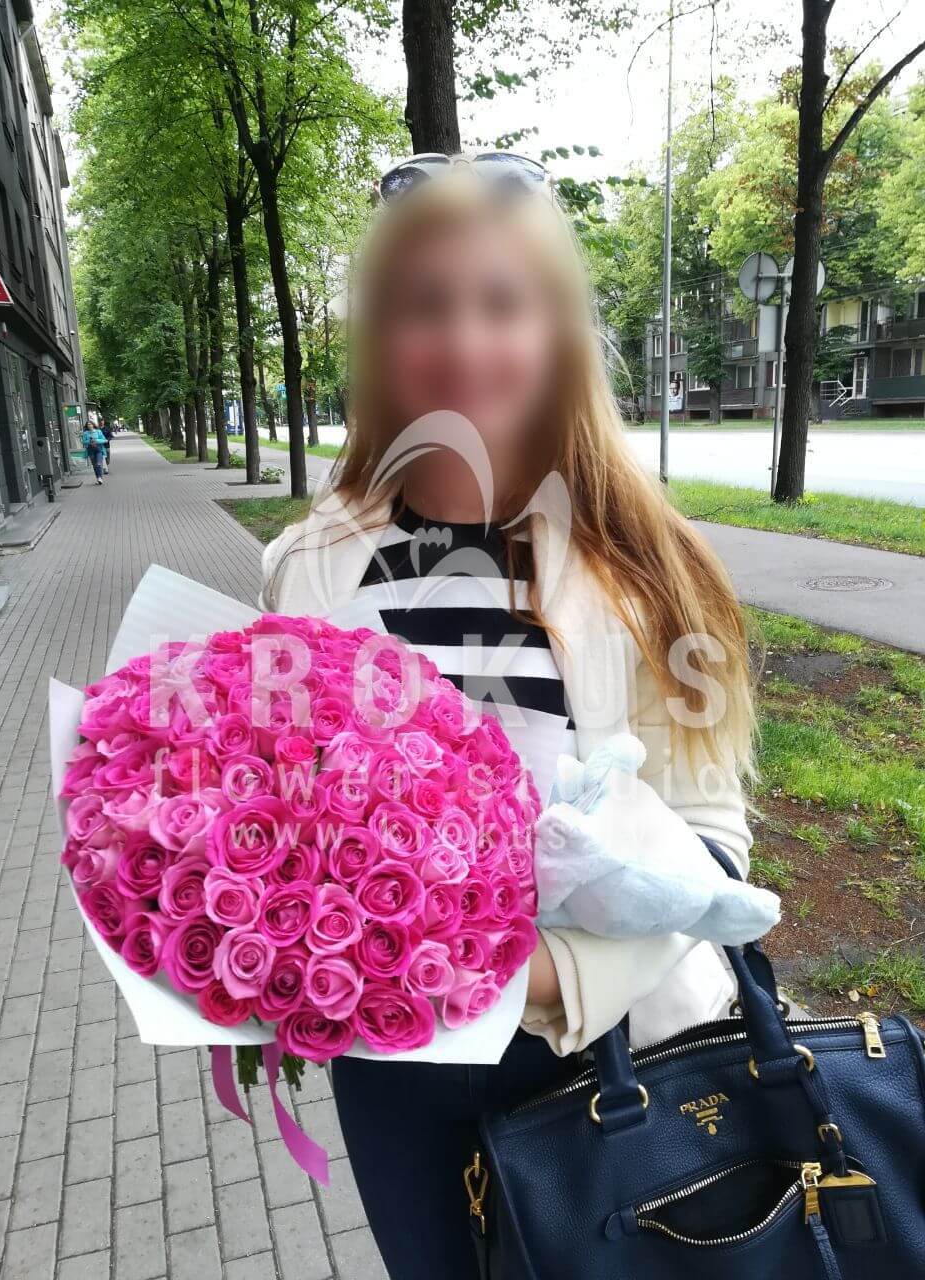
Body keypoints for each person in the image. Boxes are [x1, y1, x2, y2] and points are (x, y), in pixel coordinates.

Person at [259, 159, 755, 1280]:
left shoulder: (652, 570)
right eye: (424, 304)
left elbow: (711, 844)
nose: (463, 341)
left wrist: (528, 973)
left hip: (604, 1045)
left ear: (557, 330)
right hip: (391, 1071)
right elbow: (280, 798)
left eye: (501, 301)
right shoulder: (306, 566)